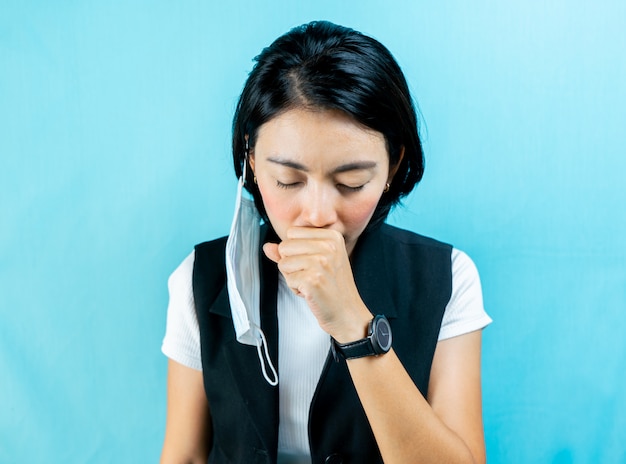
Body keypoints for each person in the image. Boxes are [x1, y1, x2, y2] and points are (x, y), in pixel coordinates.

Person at [160, 20, 492, 464]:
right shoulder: (198, 278)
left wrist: (354, 324)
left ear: (392, 167)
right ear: (252, 162)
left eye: (351, 183)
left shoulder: (448, 278)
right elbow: (184, 454)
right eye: (288, 179)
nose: (317, 215)